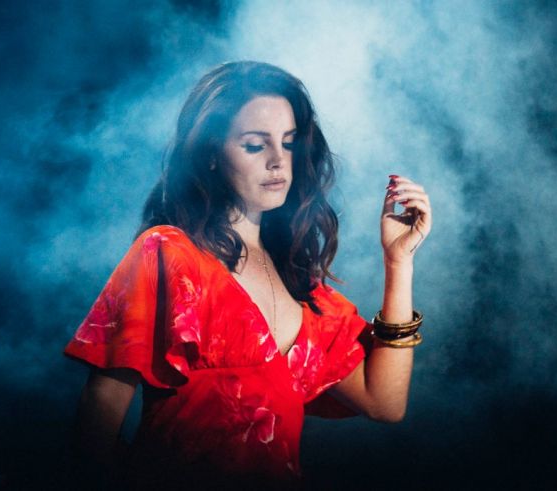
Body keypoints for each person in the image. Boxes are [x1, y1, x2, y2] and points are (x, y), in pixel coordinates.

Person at [63, 61, 432, 489]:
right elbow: (98, 414)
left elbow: (384, 402)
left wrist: (398, 262)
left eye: (289, 143)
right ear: (212, 155)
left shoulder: (302, 286)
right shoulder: (169, 254)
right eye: (255, 146)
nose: (278, 161)